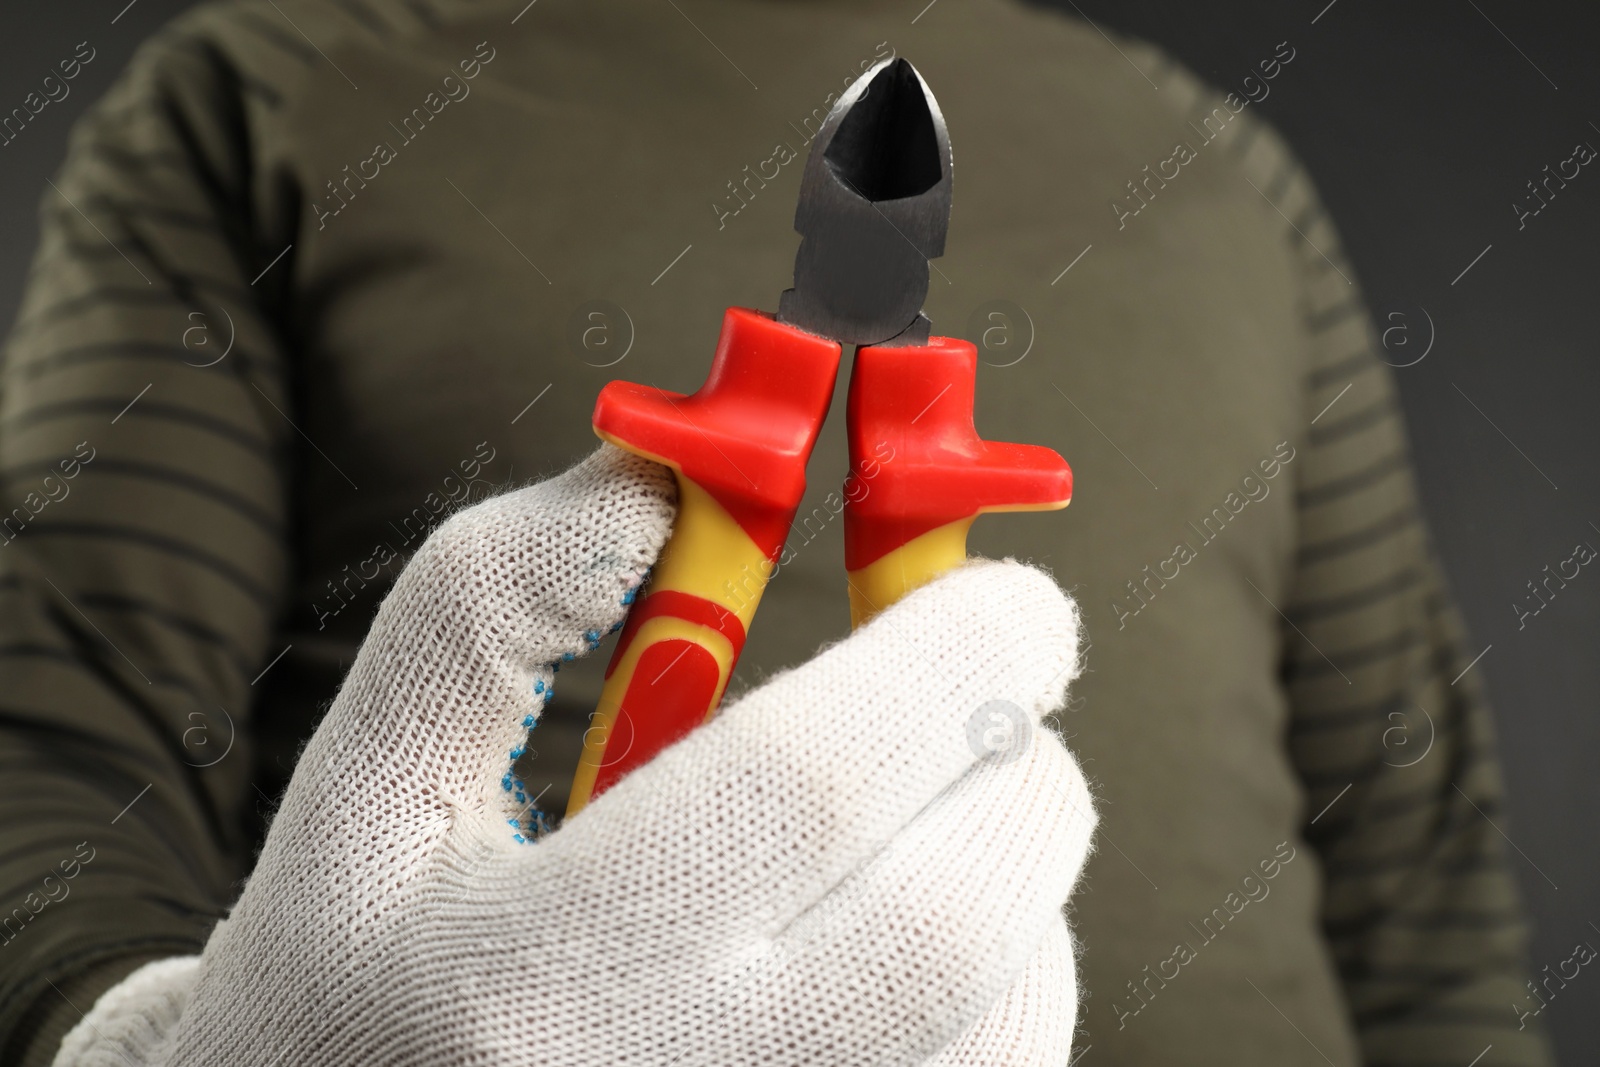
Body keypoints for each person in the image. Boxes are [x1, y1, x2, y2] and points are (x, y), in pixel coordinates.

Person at [0, 0, 1551, 1064]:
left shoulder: (1228, 170)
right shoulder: (264, 95)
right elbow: (53, 739)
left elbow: (1414, 859)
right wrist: (180, 1046)